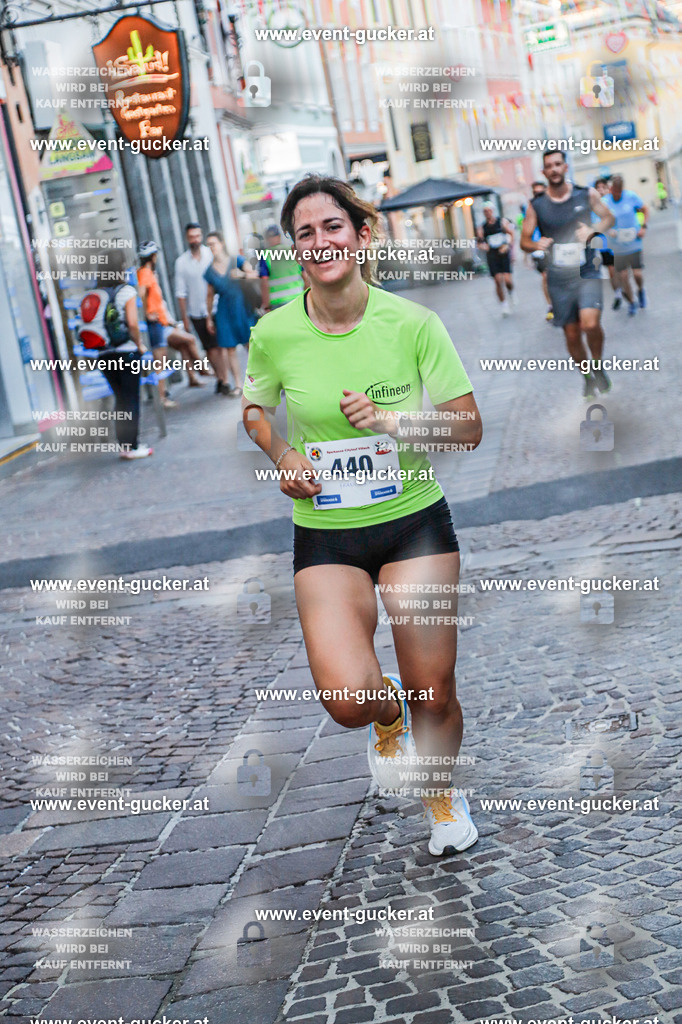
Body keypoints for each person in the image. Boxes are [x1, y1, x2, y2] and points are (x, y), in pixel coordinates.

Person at [241, 175, 483, 857]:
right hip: (326, 535)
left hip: (414, 524)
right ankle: (386, 721)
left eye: (333, 227)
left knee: (432, 689)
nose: (320, 242)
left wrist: (392, 421)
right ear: (294, 249)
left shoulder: (412, 324)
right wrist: (282, 452)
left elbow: (467, 428)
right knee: (347, 699)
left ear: (361, 234)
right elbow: (255, 411)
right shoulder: (275, 334)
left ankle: (441, 795)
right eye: (305, 233)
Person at [521, 149, 615, 398]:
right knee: (572, 334)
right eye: (549, 166)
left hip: (587, 271)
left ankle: (597, 366)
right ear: (544, 172)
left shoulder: (586, 194)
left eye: (558, 164)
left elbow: (609, 218)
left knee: (590, 324)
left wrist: (593, 231)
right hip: (559, 278)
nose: (553, 169)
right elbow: (524, 240)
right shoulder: (536, 205)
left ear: (566, 167)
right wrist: (535, 244)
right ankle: (586, 377)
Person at [96, 250, 152, 460]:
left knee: (120, 399)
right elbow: (133, 324)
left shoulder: (97, 293)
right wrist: (140, 345)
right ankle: (133, 446)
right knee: (131, 399)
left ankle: (124, 445)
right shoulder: (126, 291)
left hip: (104, 355)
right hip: (126, 353)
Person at [137, 241, 205, 407]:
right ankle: (162, 398)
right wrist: (147, 313)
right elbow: (142, 293)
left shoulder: (149, 273)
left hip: (162, 323)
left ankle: (194, 376)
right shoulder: (145, 272)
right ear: (152, 256)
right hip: (155, 325)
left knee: (181, 346)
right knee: (159, 363)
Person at [174, 223, 229, 394]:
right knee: (210, 348)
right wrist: (184, 318)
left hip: (216, 307)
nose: (195, 240)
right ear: (187, 238)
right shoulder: (181, 263)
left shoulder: (210, 254)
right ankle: (220, 378)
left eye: (197, 236)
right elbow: (181, 292)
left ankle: (225, 380)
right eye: (191, 237)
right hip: (196, 311)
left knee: (221, 345)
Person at [204, 231, 258, 395]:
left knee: (250, 345)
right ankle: (238, 384)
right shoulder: (209, 271)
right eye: (209, 245)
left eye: (213, 243)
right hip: (224, 311)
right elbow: (209, 296)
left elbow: (254, 275)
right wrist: (209, 319)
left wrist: (240, 274)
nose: (211, 247)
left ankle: (255, 382)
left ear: (222, 243)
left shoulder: (236, 260)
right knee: (230, 349)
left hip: (242, 306)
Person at [602, 174, 648, 315]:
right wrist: (608, 230)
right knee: (623, 276)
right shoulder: (605, 202)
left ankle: (640, 290)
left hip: (633, 242)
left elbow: (645, 210)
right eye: (614, 190)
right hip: (617, 246)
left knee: (637, 274)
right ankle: (631, 302)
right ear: (610, 189)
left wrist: (643, 227)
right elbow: (599, 220)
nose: (617, 193)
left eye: (619, 190)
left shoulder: (631, 196)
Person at [258, 224, 305, 310]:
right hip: (298, 298)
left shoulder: (265, 255)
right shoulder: (293, 251)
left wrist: (266, 305)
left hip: (277, 303)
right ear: (279, 236)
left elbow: (264, 282)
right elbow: (305, 275)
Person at [529, 181, 554, 321]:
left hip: (554, 247)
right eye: (535, 193)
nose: (538, 195)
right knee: (545, 277)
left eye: (541, 192)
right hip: (538, 249)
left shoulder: (553, 205)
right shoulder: (530, 208)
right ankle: (550, 305)